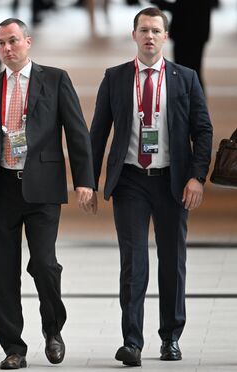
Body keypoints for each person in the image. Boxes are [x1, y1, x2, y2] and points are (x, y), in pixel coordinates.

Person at [0, 18, 95, 369]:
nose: (8, 48)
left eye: (14, 41)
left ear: (28, 42)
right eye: (1, 43)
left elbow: (77, 132)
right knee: (3, 271)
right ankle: (14, 348)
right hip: (1, 189)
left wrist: (85, 180)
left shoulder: (55, 79)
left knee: (45, 265)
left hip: (43, 188)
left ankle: (53, 330)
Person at [87, 7, 213, 367]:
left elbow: (202, 131)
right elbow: (98, 133)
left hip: (173, 182)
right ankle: (132, 341)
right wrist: (88, 182)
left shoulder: (184, 78)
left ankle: (170, 338)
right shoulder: (114, 78)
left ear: (165, 36)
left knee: (172, 262)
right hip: (130, 182)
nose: (150, 36)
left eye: (156, 31)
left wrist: (196, 177)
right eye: (144, 30)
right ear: (134, 35)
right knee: (133, 262)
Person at [150, 0, 218, 89]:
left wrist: (162, 4)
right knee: (192, 71)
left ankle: (190, 100)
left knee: (184, 71)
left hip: (185, 33)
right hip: (196, 32)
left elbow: (184, 8)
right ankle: (195, 100)